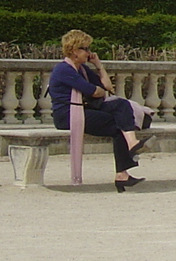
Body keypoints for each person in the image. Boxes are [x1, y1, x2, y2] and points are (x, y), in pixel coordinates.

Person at [48, 29, 150, 191]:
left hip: (83, 110)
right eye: (86, 49)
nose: (89, 52)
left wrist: (99, 66)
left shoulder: (82, 69)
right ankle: (124, 169)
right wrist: (99, 91)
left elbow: (108, 87)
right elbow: (95, 91)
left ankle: (127, 159)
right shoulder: (63, 70)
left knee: (121, 105)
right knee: (119, 125)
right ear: (74, 51)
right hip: (68, 115)